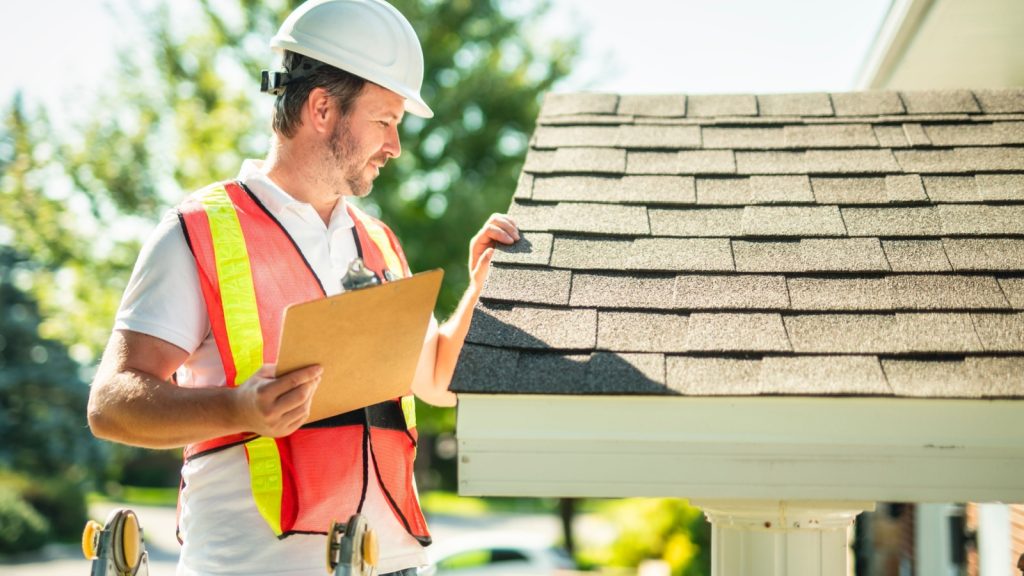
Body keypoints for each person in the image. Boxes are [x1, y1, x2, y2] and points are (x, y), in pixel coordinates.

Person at [86, 1, 519, 574]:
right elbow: (111, 405)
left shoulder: (378, 242)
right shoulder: (198, 232)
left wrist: (481, 289)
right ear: (321, 108)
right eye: (385, 121)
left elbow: (439, 377)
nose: (395, 147)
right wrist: (238, 408)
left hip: (395, 562)